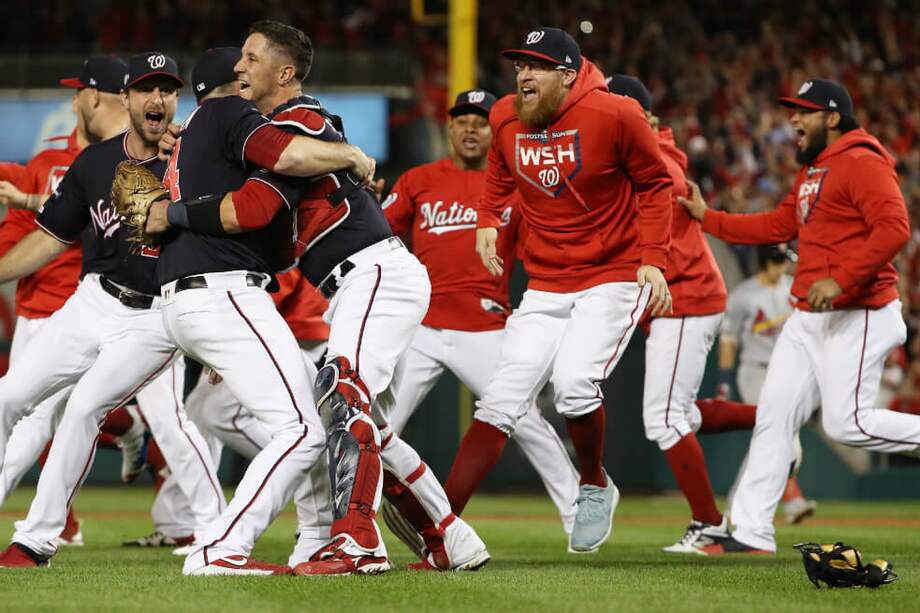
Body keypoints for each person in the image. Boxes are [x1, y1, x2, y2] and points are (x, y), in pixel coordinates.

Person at [149, 21, 490, 575]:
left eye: (253, 57)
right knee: (355, 419)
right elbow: (279, 244)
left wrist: (176, 211)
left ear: (282, 73)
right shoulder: (271, 130)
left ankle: (358, 543)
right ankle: (450, 535)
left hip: (376, 271)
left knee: (343, 392)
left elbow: (256, 204)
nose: (241, 66)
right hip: (356, 279)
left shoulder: (299, 119)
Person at [441, 28, 673, 555]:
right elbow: (499, 172)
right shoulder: (504, 115)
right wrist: (484, 218)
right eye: (520, 64)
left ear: (568, 74)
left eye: (538, 66)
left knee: (572, 385)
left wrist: (655, 260)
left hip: (613, 272)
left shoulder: (616, 113)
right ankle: (442, 524)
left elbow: (657, 186)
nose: (525, 74)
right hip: (546, 281)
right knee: (498, 402)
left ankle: (593, 485)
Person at [0, 53, 226, 569]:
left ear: (177, 101)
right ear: (125, 100)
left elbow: (227, 231)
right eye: (147, 89)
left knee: (84, 410)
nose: (158, 99)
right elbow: (51, 237)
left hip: (156, 316)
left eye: (168, 90)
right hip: (95, 298)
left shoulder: (194, 159)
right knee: (8, 396)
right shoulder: (95, 162)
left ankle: (35, 540)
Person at [680, 78, 920, 553]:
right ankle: (749, 531)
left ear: (832, 118)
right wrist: (709, 218)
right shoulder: (815, 169)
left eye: (804, 111)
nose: (793, 119)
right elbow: (776, 224)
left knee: (845, 425)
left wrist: (844, 278)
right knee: (774, 416)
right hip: (810, 316)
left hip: (861, 312)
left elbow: (895, 228)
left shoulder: (861, 160)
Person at [382, 89, 579, 536]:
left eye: (481, 121)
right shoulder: (418, 180)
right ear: (449, 128)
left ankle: (578, 512)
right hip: (423, 327)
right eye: (462, 120)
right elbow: (378, 232)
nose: (471, 128)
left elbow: (544, 252)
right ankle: (345, 520)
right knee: (377, 425)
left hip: (485, 326)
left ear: (497, 131)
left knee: (524, 420)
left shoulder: (516, 186)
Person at [0, 56, 129, 547]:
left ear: (92, 97)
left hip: (105, 303)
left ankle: (44, 531)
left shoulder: (142, 154)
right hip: (54, 309)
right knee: (37, 412)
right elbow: (48, 226)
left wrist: (31, 203)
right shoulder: (54, 161)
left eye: (78, 91)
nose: (72, 98)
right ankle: (56, 525)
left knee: (48, 418)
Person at [608, 74, 735, 554]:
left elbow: (671, 180)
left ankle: (710, 525)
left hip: (685, 297)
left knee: (662, 419)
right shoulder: (647, 147)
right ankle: (773, 421)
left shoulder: (653, 151)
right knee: (679, 414)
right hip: (680, 300)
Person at [720, 243, 817, 524]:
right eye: (778, 260)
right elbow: (729, 340)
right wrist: (724, 382)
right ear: (765, 261)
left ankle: (738, 509)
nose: (784, 266)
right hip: (755, 372)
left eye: (785, 260)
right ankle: (761, 506)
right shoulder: (744, 295)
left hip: (789, 372)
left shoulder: (794, 287)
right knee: (782, 441)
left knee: (772, 442)